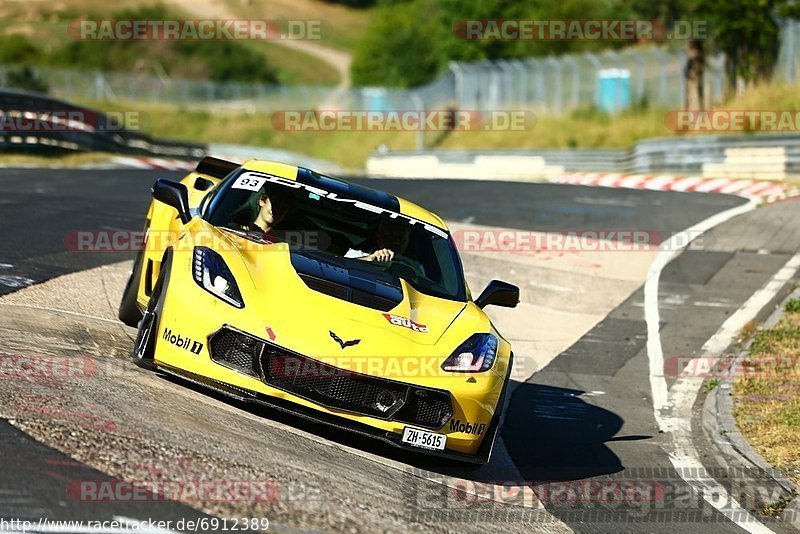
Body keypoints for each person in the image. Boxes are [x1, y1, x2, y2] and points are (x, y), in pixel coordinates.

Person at [346, 216, 410, 262]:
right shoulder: (356, 253)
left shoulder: (415, 265)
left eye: (402, 238)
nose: (396, 242)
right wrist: (370, 259)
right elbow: (345, 266)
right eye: (390, 236)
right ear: (378, 236)